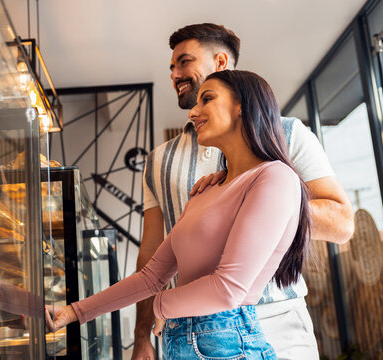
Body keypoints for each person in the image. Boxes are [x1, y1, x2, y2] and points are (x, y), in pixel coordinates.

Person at [46, 69, 311, 359]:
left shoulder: (275, 177)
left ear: (242, 106)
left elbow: (229, 289)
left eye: (207, 99)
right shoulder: (205, 190)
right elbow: (150, 277)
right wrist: (74, 312)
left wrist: (162, 305)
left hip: (229, 342)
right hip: (180, 339)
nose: (192, 112)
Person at [132, 23, 354, 360]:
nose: (175, 74)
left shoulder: (288, 133)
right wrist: (141, 336)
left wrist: (254, 199)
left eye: (184, 62)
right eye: (171, 67)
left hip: (277, 320)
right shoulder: (158, 160)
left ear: (221, 62)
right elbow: (150, 255)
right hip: (193, 332)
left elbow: (342, 223)